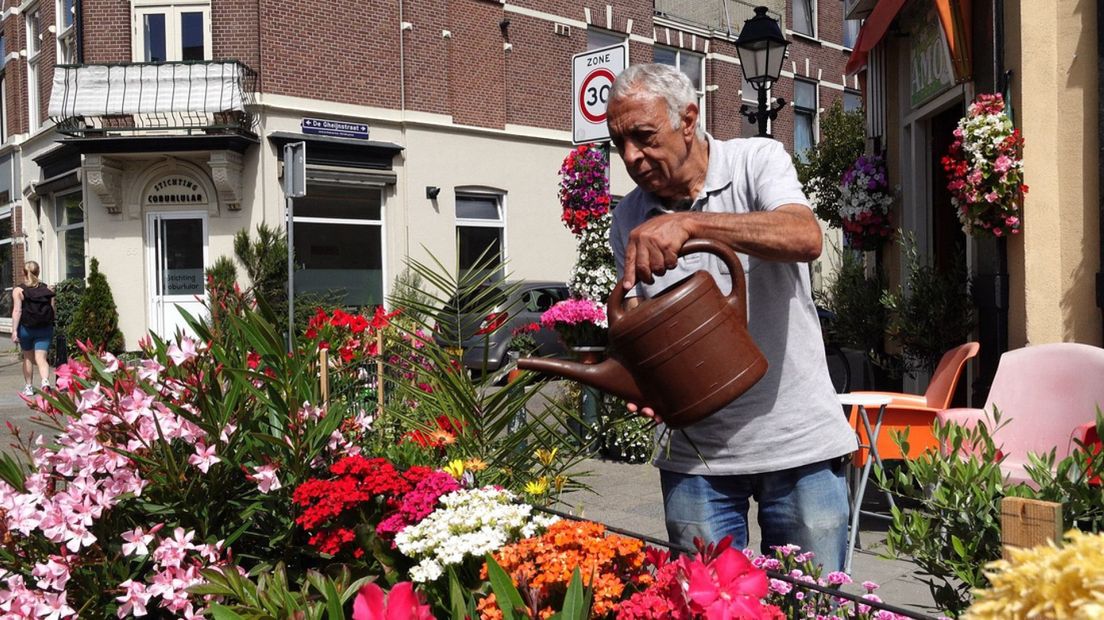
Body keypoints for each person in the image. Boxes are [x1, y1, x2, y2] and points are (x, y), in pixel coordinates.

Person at [605, 63, 858, 571]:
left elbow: (803, 237)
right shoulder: (628, 219)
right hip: (697, 460)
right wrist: (645, 382)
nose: (631, 156)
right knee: (706, 606)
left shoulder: (755, 159)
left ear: (689, 119)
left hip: (798, 446)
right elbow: (637, 324)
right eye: (619, 143)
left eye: (643, 136)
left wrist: (691, 222)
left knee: (815, 606)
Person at [11, 261, 56, 396]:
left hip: (26, 329)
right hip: (44, 328)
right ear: (38, 272)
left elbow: (17, 311)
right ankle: (45, 382)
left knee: (28, 358)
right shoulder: (48, 289)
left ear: (23, 273)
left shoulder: (19, 290)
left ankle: (29, 387)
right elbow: (53, 310)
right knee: (41, 358)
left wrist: (14, 331)